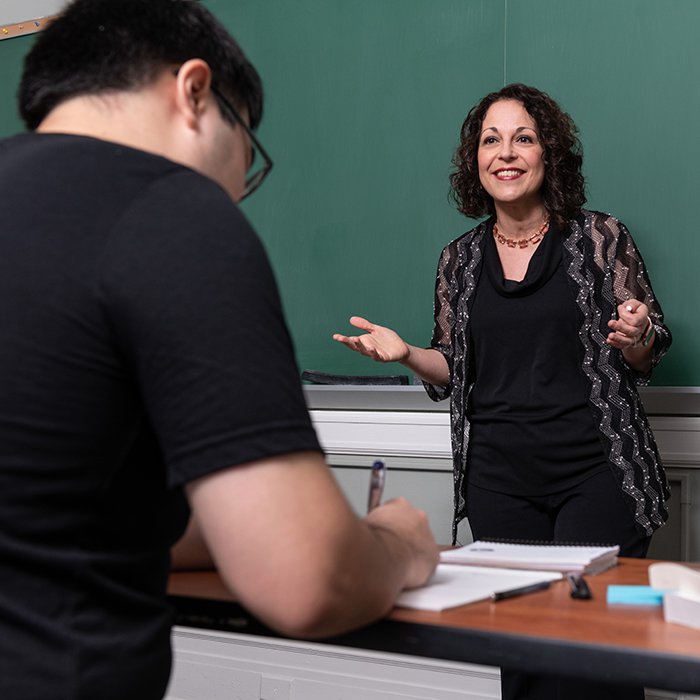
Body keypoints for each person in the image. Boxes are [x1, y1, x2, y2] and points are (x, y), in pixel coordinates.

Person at [0, 2, 439, 699]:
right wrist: (401, 546)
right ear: (195, 92)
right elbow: (308, 581)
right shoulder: (174, 211)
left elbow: (50, 501)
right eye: (247, 157)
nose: (236, 192)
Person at [334, 83, 671, 700]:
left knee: (593, 664)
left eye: (524, 138)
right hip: (500, 480)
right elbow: (458, 366)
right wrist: (407, 354)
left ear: (549, 155)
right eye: (491, 140)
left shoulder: (599, 239)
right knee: (522, 660)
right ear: (476, 160)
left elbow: (647, 347)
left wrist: (638, 334)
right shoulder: (458, 261)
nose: (506, 152)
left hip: (595, 474)